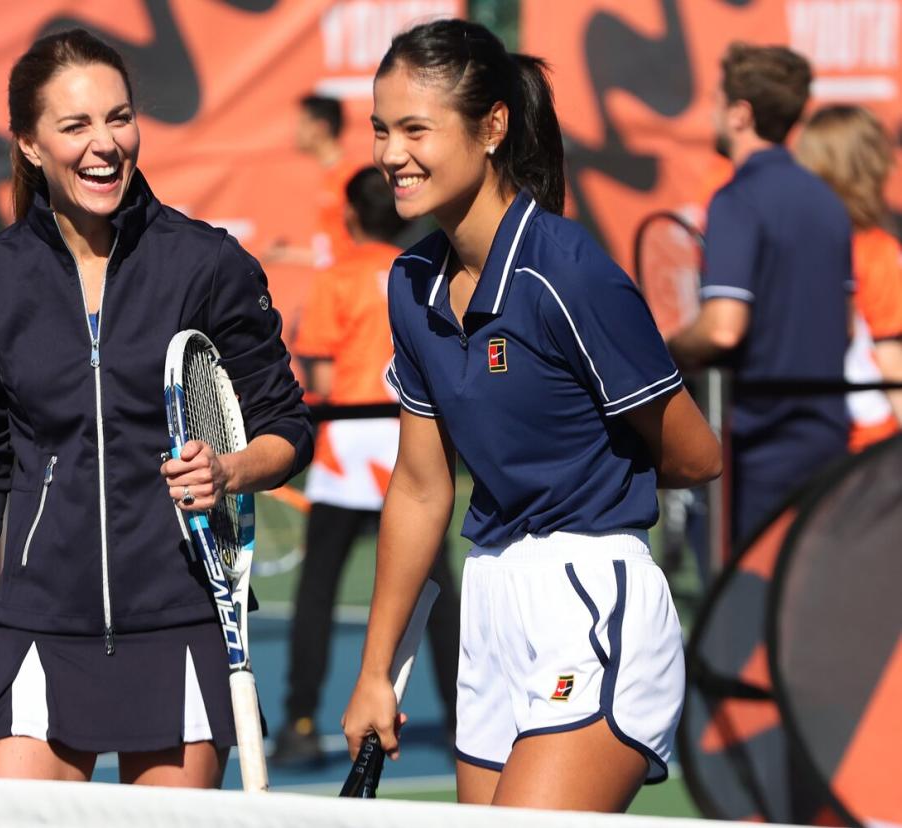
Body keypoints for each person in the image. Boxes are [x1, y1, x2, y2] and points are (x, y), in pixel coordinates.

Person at [340, 20, 721, 811]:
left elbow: (695, 454)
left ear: (491, 128)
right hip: (489, 600)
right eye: (381, 128)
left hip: (589, 595)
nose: (390, 154)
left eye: (416, 129)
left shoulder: (569, 273)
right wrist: (375, 673)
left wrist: (592, 482)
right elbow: (418, 489)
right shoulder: (409, 282)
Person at [0, 29, 312, 787]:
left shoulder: (209, 264)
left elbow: (287, 429)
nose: (104, 144)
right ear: (30, 145)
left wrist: (229, 470)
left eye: (119, 117)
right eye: (75, 126)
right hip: (39, 627)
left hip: (179, 619)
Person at [272, 167, 459, 766]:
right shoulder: (426, 273)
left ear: (351, 216)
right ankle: (465, 718)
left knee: (318, 590)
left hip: (349, 447)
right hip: (414, 442)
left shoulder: (337, 279)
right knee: (435, 593)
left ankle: (300, 722)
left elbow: (322, 377)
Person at [668, 43, 852, 545]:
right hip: (828, 439)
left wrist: (670, 351)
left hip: (759, 445)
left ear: (741, 113)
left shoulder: (737, 198)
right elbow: (848, 324)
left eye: (715, 100)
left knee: (741, 610)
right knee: (810, 606)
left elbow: (724, 326)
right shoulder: (828, 202)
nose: (710, 113)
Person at [796, 104, 902, 452]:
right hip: (868, 440)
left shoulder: (791, 244)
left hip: (799, 427)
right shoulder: (875, 249)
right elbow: (890, 359)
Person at [265, 95, 359, 269]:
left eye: (302, 124)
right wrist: (287, 255)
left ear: (320, 128)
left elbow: (354, 251)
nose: (296, 132)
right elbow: (330, 254)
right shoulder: (330, 175)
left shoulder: (349, 180)